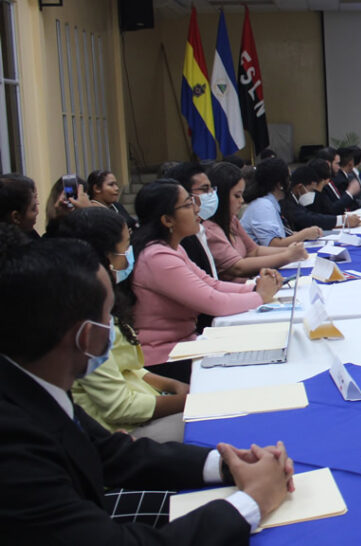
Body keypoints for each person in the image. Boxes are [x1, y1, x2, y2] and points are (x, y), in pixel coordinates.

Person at [0, 234, 294, 542]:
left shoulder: (33, 382)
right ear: (85, 337)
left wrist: (228, 465)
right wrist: (252, 502)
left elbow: (112, 453)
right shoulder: (13, 447)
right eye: (108, 317)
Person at [48, 208, 189, 442]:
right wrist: (187, 400)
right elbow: (119, 407)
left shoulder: (102, 302)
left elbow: (125, 365)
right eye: (124, 248)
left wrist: (172, 385)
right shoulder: (83, 319)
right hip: (123, 430)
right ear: (103, 256)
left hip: (144, 404)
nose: (128, 255)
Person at [131, 182, 281, 367]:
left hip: (185, 346)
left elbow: (211, 284)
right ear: (167, 220)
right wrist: (260, 296)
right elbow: (213, 302)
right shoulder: (157, 257)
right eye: (187, 205)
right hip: (164, 357)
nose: (196, 209)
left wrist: (256, 286)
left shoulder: (172, 248)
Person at [204, 162, 308, 282]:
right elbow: (238, 267)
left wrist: (291, 251)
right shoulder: (209, 229)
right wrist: (287, 256)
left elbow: (254, 250)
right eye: (237, 196)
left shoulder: (231, 219)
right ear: (221, 196)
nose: (242, 200)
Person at [241, 158, 323, 247]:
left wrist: (307, 233)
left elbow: (282, 235)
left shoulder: (270, 203)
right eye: (288, 178)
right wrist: (304, 234)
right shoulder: (263, 206)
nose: (290, 182)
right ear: (280, 184)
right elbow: (274, 244)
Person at [165, 163, 220, 281]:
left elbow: (212, 283)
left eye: (212, 188)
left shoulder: (198, 230)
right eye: (205, 189)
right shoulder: (176, 244)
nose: (211, 194)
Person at [281, 165, 360, 232]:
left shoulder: (294, 199)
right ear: (300, 187)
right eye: (311, 190)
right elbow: (309, 218)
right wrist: (342, 220)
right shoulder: (286, 201)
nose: (313, 194)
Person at [312, 147, 361, 214]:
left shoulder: (331, 180)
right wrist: (350, 193)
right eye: (337, 164)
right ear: (328, 164)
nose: (339, 167)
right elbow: (331, 210)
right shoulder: (321, 184)